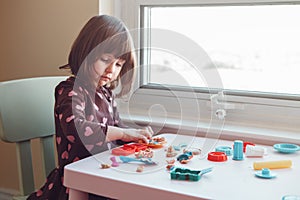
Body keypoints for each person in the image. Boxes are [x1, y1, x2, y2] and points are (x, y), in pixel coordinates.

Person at [27, 15, 153, 200]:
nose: (112, 70)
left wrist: (136, 137)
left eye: (118, 64)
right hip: (77, 185)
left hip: (103, 175)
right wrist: (124, 134)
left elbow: (116, 131)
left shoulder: (105, 93)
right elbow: (77, 131)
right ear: (85, 53)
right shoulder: (69, 91)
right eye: (105, 59)